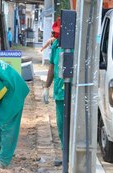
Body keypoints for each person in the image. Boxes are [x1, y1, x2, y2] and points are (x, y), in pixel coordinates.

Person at [41, 17, 63, 166]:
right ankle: (65, 155)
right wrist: (46, 87)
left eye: (57, 33)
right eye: (54, 33)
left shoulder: (75, 46)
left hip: (73, 94)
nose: (54, 36)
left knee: (72, 127)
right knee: (61, 127)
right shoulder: (55, 45)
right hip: (60, 94)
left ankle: (72, 156)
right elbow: (52, 67)